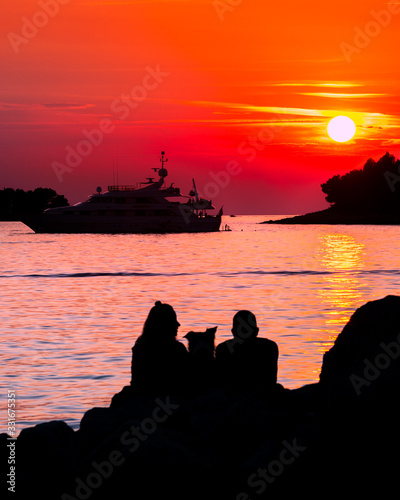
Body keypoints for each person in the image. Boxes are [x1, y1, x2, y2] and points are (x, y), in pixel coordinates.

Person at [130, 301, 190, 397]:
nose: (178, 324)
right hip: (170, 402)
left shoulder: (140, 348)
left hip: (144, 400)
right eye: (173, 321)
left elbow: (137, 384)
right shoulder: (177, 350)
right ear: (164, 324)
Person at [215, 310, 279, 395]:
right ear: (256, 331)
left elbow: (220, 382)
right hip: (263, 397)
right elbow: (271, 380)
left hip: (232, 399)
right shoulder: (270, 347)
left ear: (233, 332)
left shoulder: (223, 349)